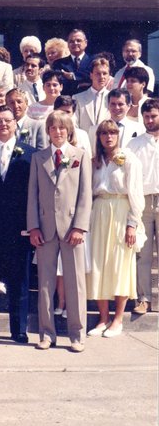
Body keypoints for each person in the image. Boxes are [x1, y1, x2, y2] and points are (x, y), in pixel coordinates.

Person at [27, 110, 92, 353]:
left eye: (62, 128)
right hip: (45, 228)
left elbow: (86, 194)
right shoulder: (38, 158)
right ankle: (46, 333)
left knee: (75, 283)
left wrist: (80, 226)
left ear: (69, 131)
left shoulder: (80, 156)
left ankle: (77, 334)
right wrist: (33, 226)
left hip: (72, 228)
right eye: (53, 128)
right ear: (48, 131)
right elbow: (32, 195)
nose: (58, 132)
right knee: (45, 283)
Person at [0, 106, 35, 343]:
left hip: (18, 228)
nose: (3, 124)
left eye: (8, 120)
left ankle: (19, 330)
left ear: (15, 124)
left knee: (19, 281)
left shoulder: (31, 155)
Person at [86, 119, 144, 339]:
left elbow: (136, 195)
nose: (108, 137)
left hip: (121, 211)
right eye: (104, 133)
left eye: (112, 133)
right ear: (99, 137)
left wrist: (132, 224)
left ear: (118, 135)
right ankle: (103, 318)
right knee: (99, 264)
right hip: (98, 212)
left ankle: (118, 319)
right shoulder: (95, 161)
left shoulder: (129, 159)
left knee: (120, 265)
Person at [127, 99, 159, 315]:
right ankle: (144, 298)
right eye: (146, 116)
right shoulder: (134, 145)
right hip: (143, 202)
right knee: (143, 255)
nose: (149, 120)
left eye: (153, 116)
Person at [73, 58, 111, 133]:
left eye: (104, 73)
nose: (101, 77)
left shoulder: (112, 98)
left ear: (109, 76)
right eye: (98, 73)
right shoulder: (78, 98)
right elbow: (75, 124)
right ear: (91, 75)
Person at [52, 29, 92, 96]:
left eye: (78, 40)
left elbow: (95, 79)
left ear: (86, 43)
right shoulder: (59, 63)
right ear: (67, 44)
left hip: (88, 101)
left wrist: (73, 76)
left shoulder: (93, 61)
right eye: (71, 41)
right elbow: (60, 83)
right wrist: (83, 81)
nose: (75, 43)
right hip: (67, 101)